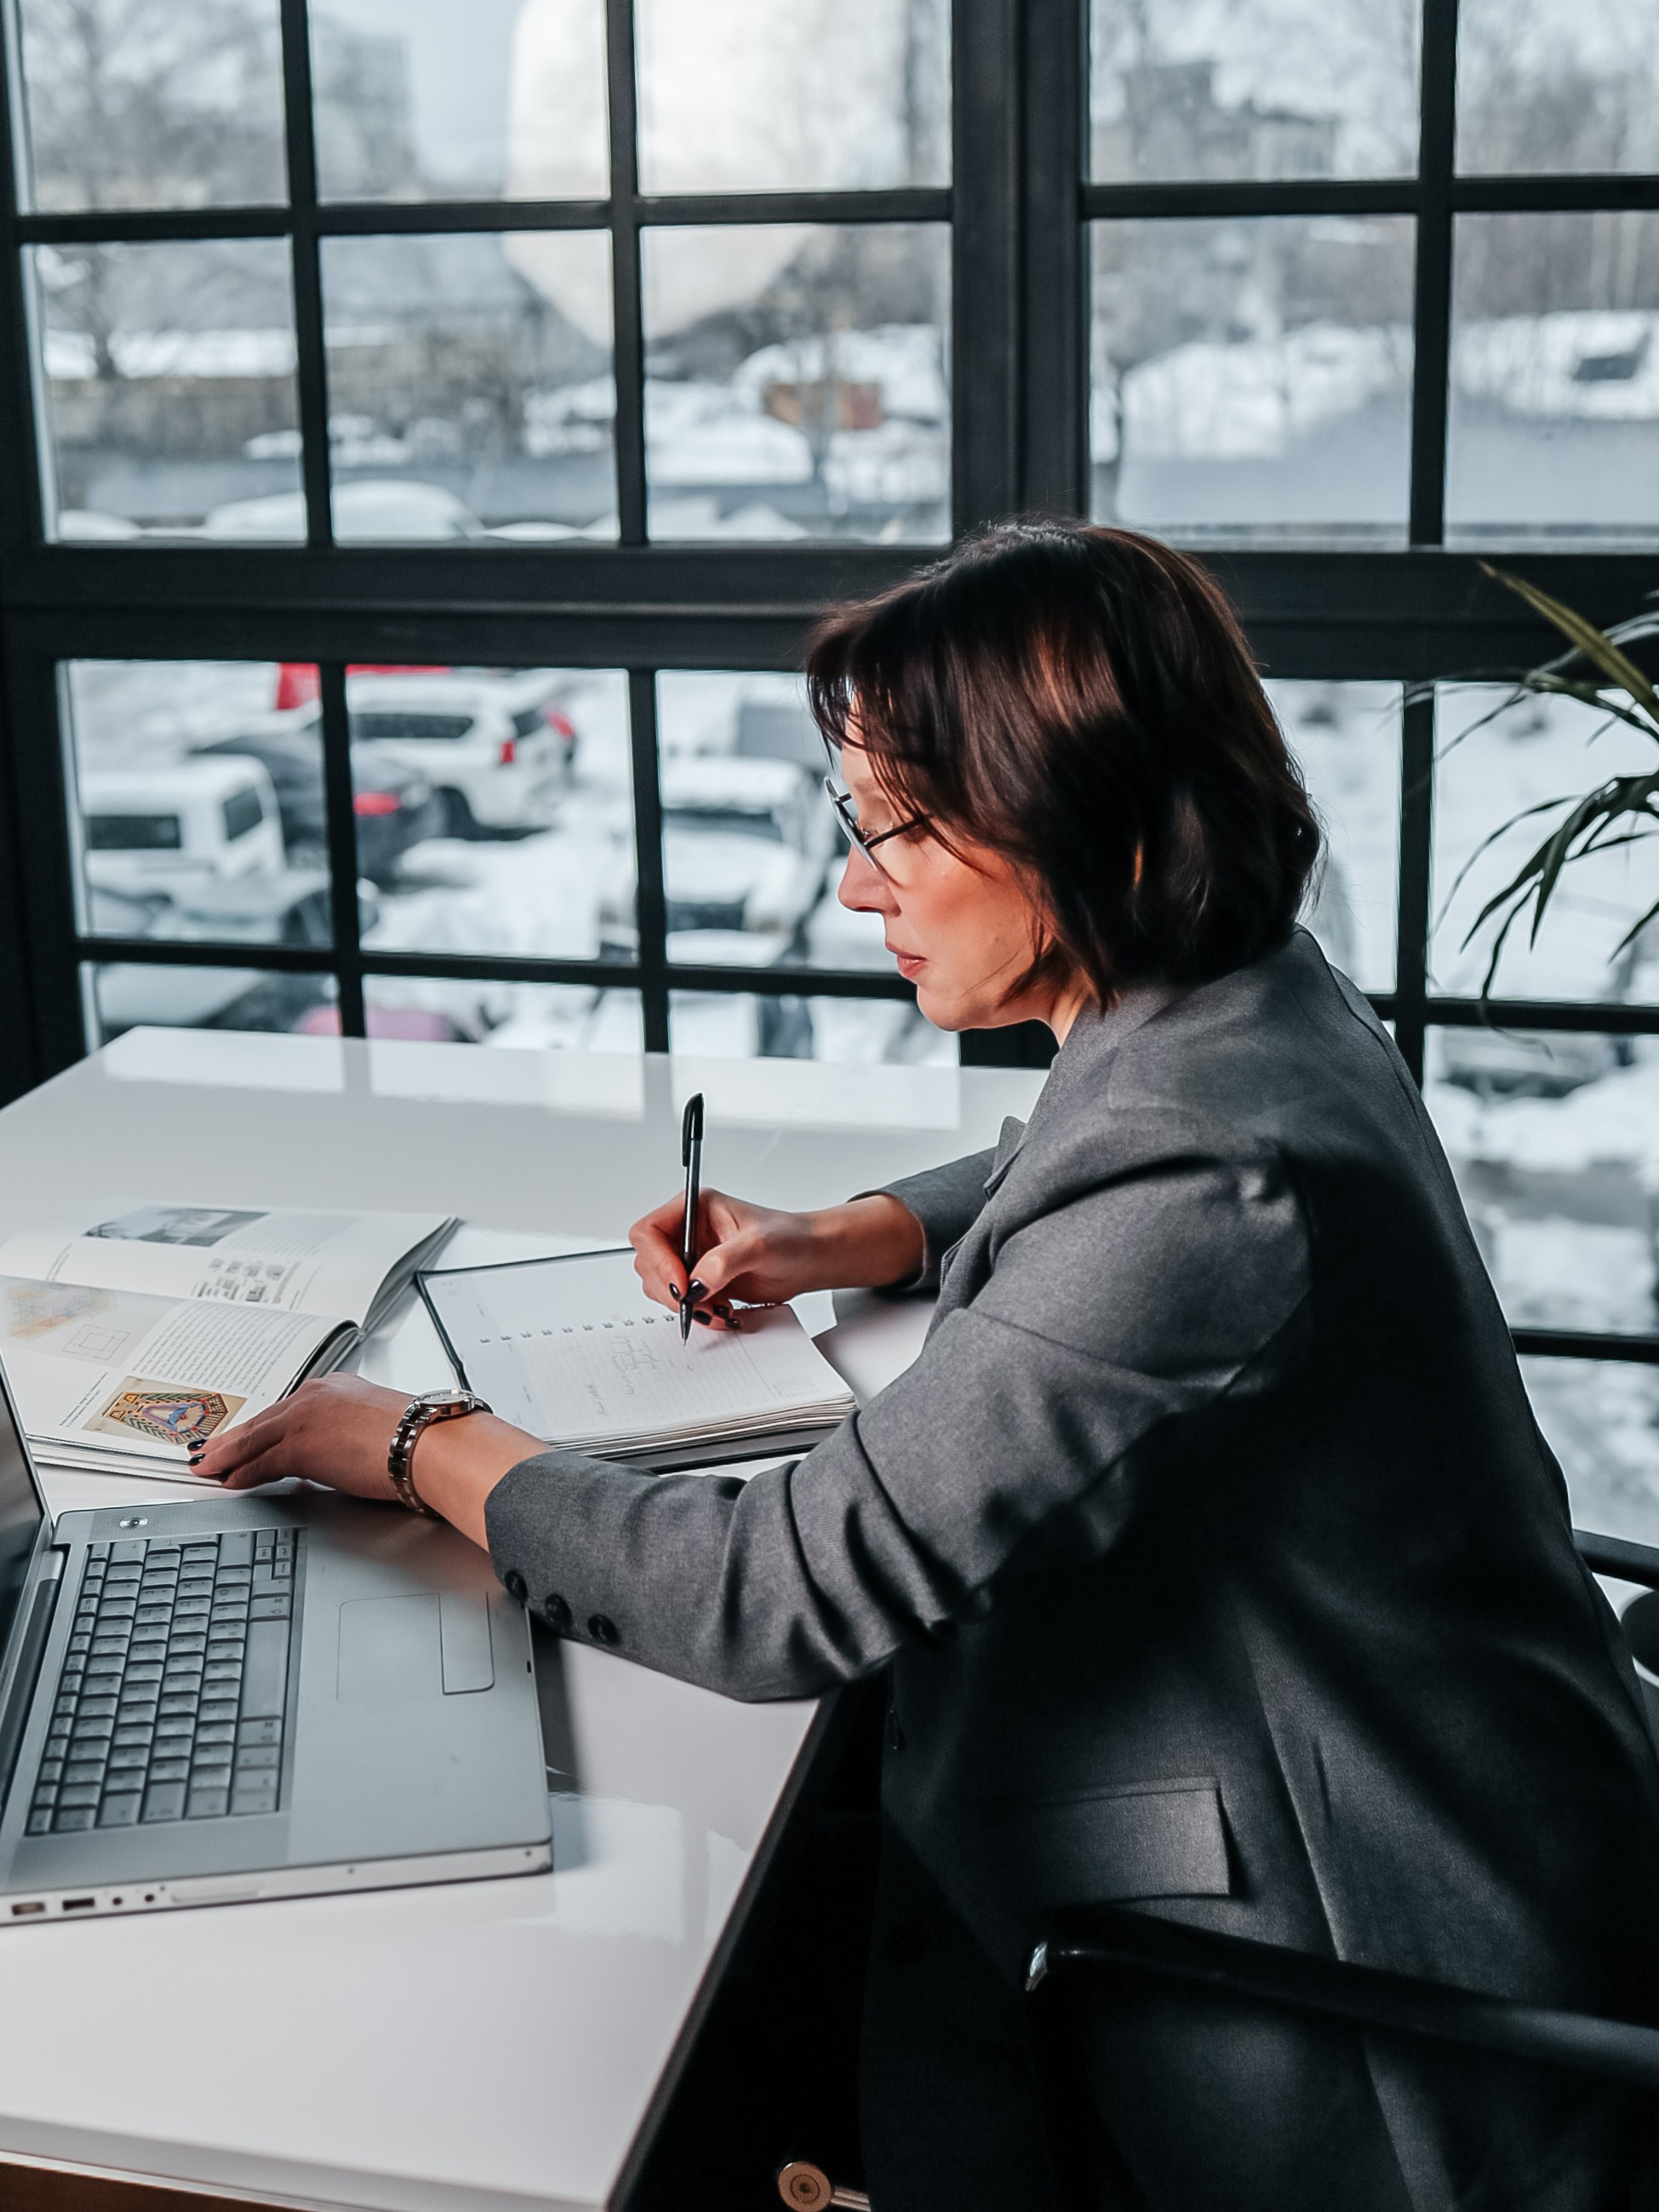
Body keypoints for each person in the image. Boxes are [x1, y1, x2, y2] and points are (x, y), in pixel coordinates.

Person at [193, 522, 1659, 2211]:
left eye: (896, 828)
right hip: (1455, 1791)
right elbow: (1082, 1153)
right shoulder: (1252, 1005)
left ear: (1083, 823)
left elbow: (779, 1593)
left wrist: (417, 1438)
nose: (854, 883)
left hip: (1362, 1992)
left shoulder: (1204, 1171)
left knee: (622, 2014)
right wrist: (856, 1231)